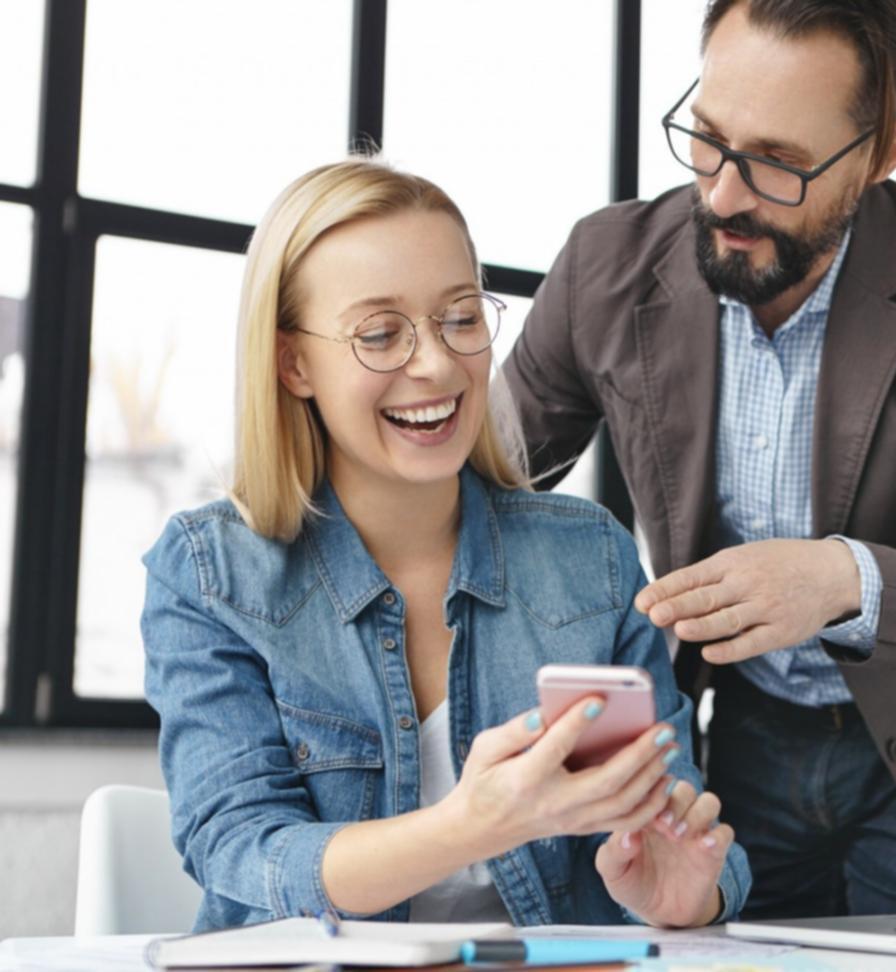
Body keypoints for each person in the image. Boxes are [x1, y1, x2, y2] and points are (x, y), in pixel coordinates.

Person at [503, 0, 896, 919]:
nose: (724, 195)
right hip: (741, 738)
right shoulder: (605, 267)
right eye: (708, 138)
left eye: (778, 162)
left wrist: (839, 581)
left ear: (886, 152)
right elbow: (479, 487)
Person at [141, 159, 749, 930]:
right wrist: (471, 825)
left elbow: (676, 815)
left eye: (460, 319)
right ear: (293, 363)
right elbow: (242, 847)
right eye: (380, 334)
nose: (435, 365)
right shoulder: (210, 573)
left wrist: (688, 896)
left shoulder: (589, 560)